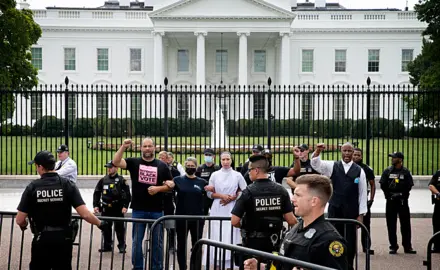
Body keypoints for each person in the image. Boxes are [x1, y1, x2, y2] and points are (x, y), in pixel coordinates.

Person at [16, 150, 108, 270]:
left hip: (41, 238)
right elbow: (85, 214)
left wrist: (24, 224)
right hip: (63, 239)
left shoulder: (33, 187)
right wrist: (100, 223)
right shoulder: (67, 185)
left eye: (36, 166)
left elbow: (19, 219)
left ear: (40, 167)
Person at [243, 174, 349, 270]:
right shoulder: (295, 229)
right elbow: (281, 264)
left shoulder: (328, 240)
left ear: (314, 201)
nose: (293, 199)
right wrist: (261, 267)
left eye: (298, 195)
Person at [112, 138, 174, 270]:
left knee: (157, 243)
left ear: (154, 148)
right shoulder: (134, 162)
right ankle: (138, 267)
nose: (147, 148)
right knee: (136, 242)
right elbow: (116, 162)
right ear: (141, 148)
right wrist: (123, 147)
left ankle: (156, 267)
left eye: (149, 146)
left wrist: (158, 189)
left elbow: (171, 185)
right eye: (145, 146)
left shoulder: (162, 165)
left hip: (157, 210)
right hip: (138, 209)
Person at [310, 142, 367, 269]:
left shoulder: (359, 171)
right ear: (341, 151)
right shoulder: (332, 166)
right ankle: (334, 265)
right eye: (345, 151)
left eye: (349, 151)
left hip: (351, 211)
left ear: (353, 153)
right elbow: (316, 164)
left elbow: (362, 194)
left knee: (350, 241)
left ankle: (349, 265)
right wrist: (318, 151)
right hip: (335, 209)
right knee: (333, 238)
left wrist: (361, 214)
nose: (347, 153)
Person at [231, 154, 297, 260]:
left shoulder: (248, 192)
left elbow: (234, 221)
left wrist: (244, 226)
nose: (248, 173)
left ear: (256, 170)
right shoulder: (281, 190)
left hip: (252, 245)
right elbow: (291, 220)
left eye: (250, 170)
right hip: (274, 242)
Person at [204, 151, 247, 269]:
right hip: (218, 207)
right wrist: (221, 196)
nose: (226, 162)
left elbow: (245, 191)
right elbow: (209, 193)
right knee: (217, 233)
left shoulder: (237, 175)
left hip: (232, 207)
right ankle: (218, 263)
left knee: (231, 234)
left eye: (228, 159)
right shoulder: (215, 175)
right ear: (220, 161)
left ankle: (230, 264)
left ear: (231, 160)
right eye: (223, 159)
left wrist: (233, 197)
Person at [167, 157, 208, 270]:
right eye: (188, 166)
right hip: (181, 217)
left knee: (197, 245)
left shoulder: (202, 182)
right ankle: (182, 267)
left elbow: (209, 197)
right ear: (185, 167)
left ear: (196, 167)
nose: (190, 168)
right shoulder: (177, 180)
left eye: (192, 166)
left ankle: (195, 267)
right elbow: (168, 189)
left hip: (197, 218)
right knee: (181, 245)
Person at [379, 152, 416, 254]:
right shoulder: (387, 171)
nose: (392, 159)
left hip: (402, 201)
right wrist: (389, 195)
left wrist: (401, 195)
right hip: (391, 201)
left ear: (400, 159)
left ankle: (407, 246)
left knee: (405, 224)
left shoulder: (406, 172)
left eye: (394, 158)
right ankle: (393, 246)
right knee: (391, 224)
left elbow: (409, 186)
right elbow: (383, 184)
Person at [93, 160, 131, 253]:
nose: (109, 169)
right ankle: (107, 245)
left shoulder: (122, 180)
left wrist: (125, 206)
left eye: (111, 167)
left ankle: (122, 246)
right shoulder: (103, 180)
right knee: (106, 227)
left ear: (116, 168)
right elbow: (97, 193)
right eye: (108, 168)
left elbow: (127, 194)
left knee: (119, 228)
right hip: (106, 208)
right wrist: (96, 205)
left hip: (117, 207)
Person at [352, 148, 376, 254]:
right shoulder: (348, 167)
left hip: (363, 199)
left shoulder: (367, 169)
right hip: (350, 199)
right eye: (355, 154)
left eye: (358, 155)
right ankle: (350, 246)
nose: (356, 156)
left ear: (361, 156)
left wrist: (371, 199)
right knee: (350, 225)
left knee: (366, 224)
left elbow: (372, 184)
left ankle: (366, 247)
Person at [195, 148, 220, 215]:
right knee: (202, 216)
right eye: (206, 155)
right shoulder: (200, 168)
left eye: (210, 155)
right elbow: (196, 180)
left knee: (216, 216)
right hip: (203, 196)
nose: (208, 156)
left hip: (214, 195)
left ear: (213, 156)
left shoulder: (217, 168)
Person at [429, 169, 440, 253]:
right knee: (436, 223)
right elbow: (431, 185)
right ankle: (437, 246)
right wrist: (438, 194)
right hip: (439, 203)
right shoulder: (438, 173)